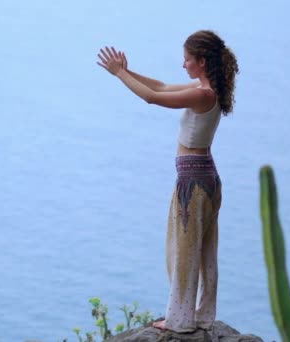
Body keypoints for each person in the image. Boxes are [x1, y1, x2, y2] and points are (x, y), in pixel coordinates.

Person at [96, 30, 239, 333]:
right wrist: (127, 69)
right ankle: (201, 315)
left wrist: (119, 73)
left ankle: (181, 320)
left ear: (201, 61)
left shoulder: (202, 94)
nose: (183, 64)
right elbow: (159, 85)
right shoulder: (206, 88)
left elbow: (152, 97)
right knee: (203, 251)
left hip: (194, 181)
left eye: (187, 60)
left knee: (185, 251)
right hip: (205, 177)